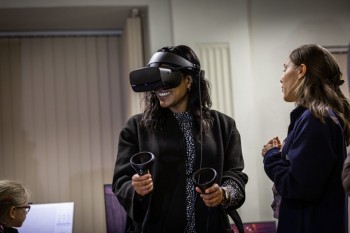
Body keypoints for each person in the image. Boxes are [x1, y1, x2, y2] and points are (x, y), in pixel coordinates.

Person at [112, 45, 248, 233]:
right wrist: (136, 188)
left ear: (189, 80)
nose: (161, 87)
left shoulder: (224, 126)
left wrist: (224, 193)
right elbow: (121, 181)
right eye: (156, 80)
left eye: (167, 78)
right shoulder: (136, 128)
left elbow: (235, 175)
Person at [261, 44, 350, 233]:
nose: (281, 77)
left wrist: (271, 157)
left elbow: (297, 187)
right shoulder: (318, 118)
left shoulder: (316, 120)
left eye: (285, 69)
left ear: (301, 70)